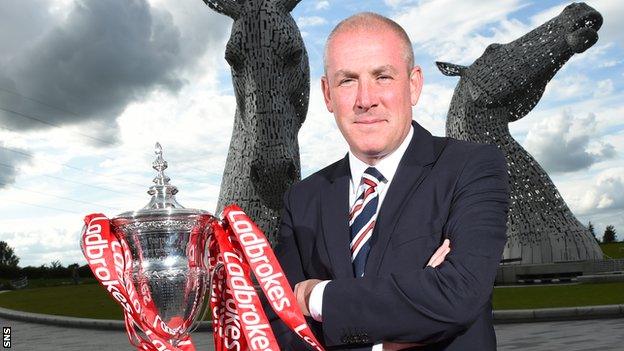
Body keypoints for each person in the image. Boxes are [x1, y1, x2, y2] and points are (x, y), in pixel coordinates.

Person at [271, 12, 509, 351]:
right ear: (327, 94)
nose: (366, 99)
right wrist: (415, 306)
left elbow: (458, 295)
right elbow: (281, 323)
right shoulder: (302, 198)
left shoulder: (471, 167)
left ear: (413, 85)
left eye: (382, 76)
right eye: (347, 80)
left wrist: (314, 295)